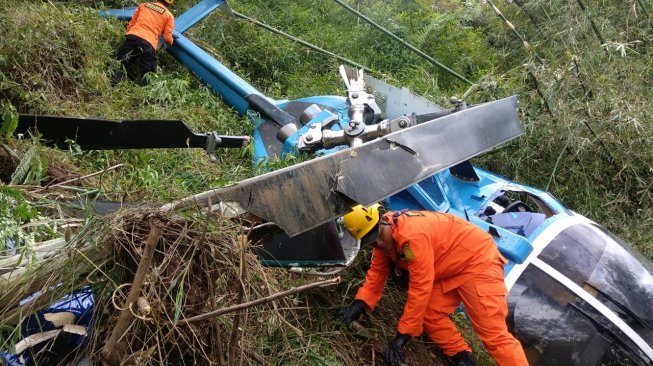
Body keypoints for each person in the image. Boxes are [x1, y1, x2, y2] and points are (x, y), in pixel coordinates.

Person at [337, 204, 528, 366]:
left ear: (383, 220)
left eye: (378, 237)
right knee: (429, 313)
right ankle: (462, 357)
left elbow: (420, 289)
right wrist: (359, 303)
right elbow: (377, 273)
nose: (379, 244)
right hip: (449, 267)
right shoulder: (382, 241)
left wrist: (402, 337)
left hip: (478, 262)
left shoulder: (412, 235)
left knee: (494, 336)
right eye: (372, 243)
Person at [112, 0, 175, 86]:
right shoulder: (168, 16)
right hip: (149, 43)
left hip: (133, 36)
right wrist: (172, 40)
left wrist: (130, 37)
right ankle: (141, 94)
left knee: (121, 64)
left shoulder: (144, 5)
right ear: (170, 3)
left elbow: (131, 24)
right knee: (146, 74)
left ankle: (112, 85)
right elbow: (167, 38)